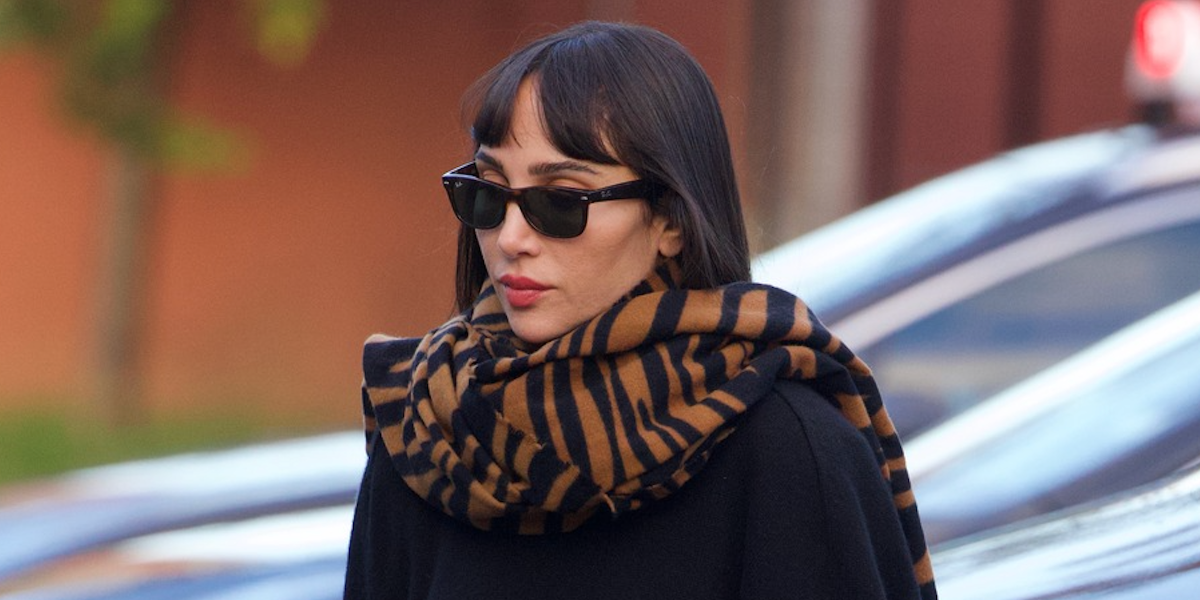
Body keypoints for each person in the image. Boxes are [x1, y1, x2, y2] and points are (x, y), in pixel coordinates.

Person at [345, 21, 937, 600]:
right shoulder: (430, 426)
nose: (510, 237)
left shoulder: (785, 450)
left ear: (670, 220)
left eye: (561, 200)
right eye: (488, 192)